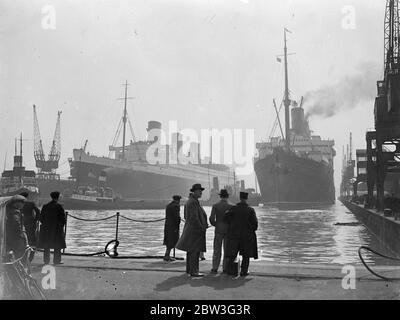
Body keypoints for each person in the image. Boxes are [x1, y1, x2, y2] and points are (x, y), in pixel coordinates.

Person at [176, 184, 208, 277]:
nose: (201, 192)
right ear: (194, 191)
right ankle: (194, 271)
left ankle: (190, 270)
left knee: (190, 250)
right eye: (199, 191)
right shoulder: (193, 202)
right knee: (195, 250)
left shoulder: (190, 201)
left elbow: (186, 216)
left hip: (191, 229)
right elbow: (194, 217)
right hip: (195, 230)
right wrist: (201, 227)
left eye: (201, 191)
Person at [224, 191, 258, 277]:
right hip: (246, 236)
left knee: (232, 254)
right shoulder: (250, 210)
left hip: (234, 235)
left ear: (240, 198)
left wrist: (232, 226)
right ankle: (244, 271)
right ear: (246, 199)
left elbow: (226, 219)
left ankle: (230, 271)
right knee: (246, 255)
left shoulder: (233, 209)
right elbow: (255, 225)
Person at [38, 191, 66, 265]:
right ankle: (57, 261)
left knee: (46, 245)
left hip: (46, 229)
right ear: (58, 197)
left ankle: (46, 261)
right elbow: (63, 219)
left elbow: (41, 218)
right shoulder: (59, 206)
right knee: (57, 245)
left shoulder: (45, 206)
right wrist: (60, 227)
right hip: (57, 229)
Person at [209, 189, 232, 274]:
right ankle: (225, 268)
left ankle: (215, 268)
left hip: (218, 229)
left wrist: (215, 224)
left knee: (217, 249)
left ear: (220, 196)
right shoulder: (231, 206)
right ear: (227, 196)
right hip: (228, 230)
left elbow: (211, 218)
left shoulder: (215, 206)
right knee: (226, 250)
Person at [5, 195, 29, 260]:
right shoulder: (15, 212)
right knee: (20, 256)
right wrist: (21, 235)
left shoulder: (8, 210)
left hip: (8, 237)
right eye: (22, 203)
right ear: (17, 203)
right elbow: (16, 224)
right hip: (16, 238)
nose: (23, 205)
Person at [20, 191, 40, 262]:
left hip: (21, 223)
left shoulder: (19, 204)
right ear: (27, 197)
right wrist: (36, 220)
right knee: (32, 241)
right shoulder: (31, 203)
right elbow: (38, 211)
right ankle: (31, 258)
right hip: (31, 223)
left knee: (23, 240)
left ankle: (22, 258)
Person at [163, 195, 182, 261]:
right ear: (178, 200)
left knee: (168, 240)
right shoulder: (176, 206)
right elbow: (177, 217)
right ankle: (167, 256)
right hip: (173, 226)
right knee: (172, 240)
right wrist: (178, 224)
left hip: (167, 225)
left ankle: (167, 255)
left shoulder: (168, 205)